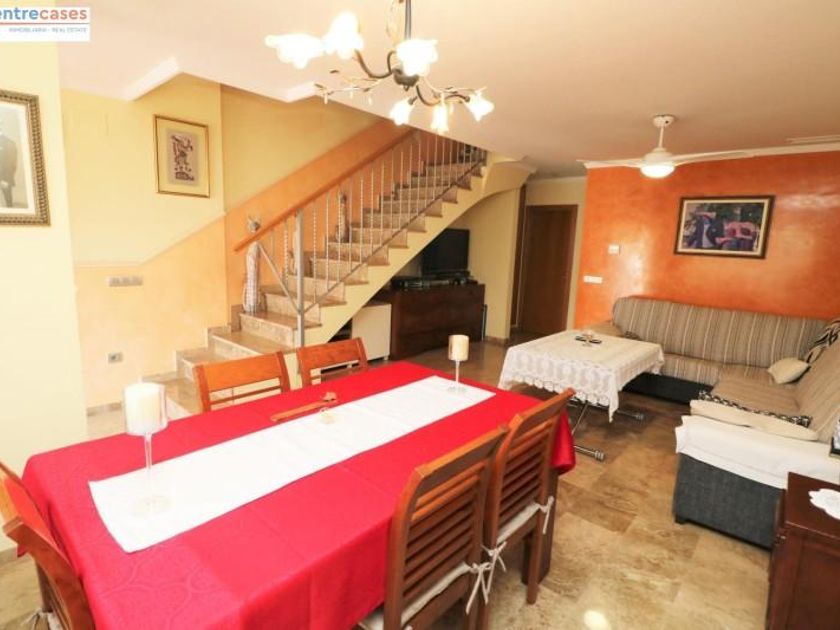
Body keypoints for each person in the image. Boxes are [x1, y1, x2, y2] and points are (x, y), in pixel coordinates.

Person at [0, 118, 18, 208]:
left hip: (3, 180)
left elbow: (12, 164)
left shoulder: (9, 143)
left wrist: (5, 179)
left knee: (8, 207)